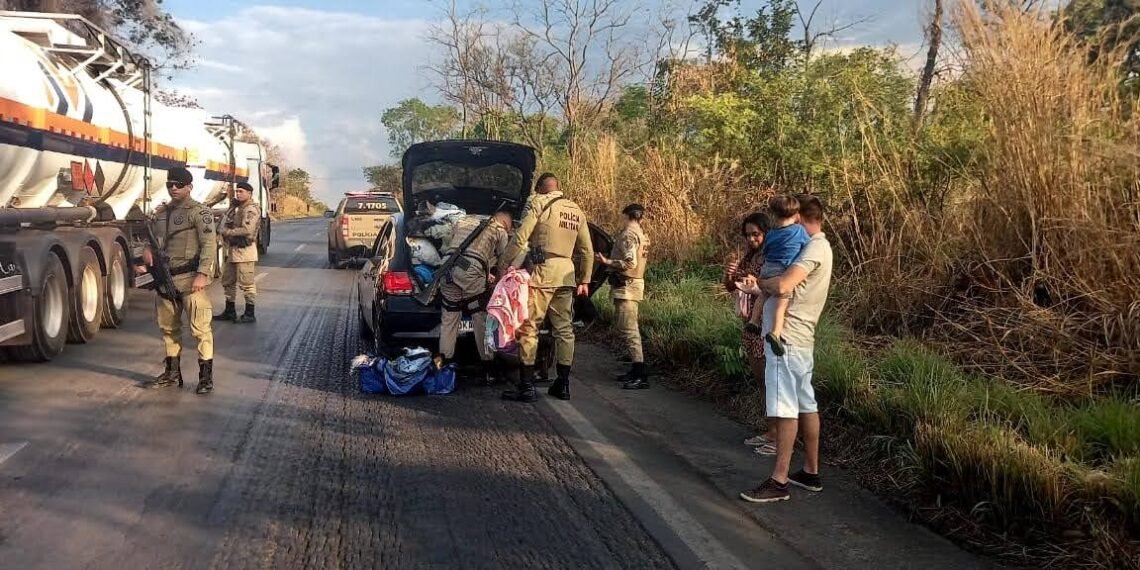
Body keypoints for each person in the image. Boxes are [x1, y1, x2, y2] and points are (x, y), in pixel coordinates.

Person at [739, 194, 833, 504]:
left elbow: (781, 286)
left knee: (785, 406)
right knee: (806, 403)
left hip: (787, 339)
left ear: (803, 219)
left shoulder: (813, 248)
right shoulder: (819, 246)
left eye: (793, 223)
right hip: (801, 338)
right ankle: (810, 471)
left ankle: (779, 480)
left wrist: (759, 287)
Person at [500, 173, 594, 402]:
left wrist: (503, 264)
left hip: (543, 273)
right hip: (566, 275)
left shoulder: (540, 205)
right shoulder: (576, 210)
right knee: (564, 330)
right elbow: (587, 251)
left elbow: (521, 238)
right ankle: (562, 385)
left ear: (541, 189)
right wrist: (585, 280)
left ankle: (526, 386)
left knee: (529, 327)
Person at [136, 167, 219, 395]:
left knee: (200, 329)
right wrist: (146, 252)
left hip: (191, 280)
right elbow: (151, 239)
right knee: (168, 329)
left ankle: (205, 378)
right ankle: (172, 374)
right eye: (170, 184)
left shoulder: (199, 213)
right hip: (165, 280)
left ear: (189, 187)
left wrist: (203, 273)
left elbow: (209, 245)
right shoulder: (161, 213)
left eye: (179, 184)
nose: (173, 188)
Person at [723, 211, 778, 455]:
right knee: (762, 380)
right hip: (750, 324)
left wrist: (754, 286)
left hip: (766, 323)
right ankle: (771, 429)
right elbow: (732, 286)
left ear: (765, 233)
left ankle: (778, 435)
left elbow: (768, 290)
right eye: (748, 235)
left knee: (771, 380)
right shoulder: (750, 256)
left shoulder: (773, 257)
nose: (751, 239)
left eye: (756, 234)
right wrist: (730, 274)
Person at [438, 209, 513, 384]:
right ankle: (489, 370)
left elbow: (448, 244)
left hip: (446, 268)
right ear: (506, 224)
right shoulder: (499, 231)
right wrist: (499, 283)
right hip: (470, 273)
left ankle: (442, 369)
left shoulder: (462, 221)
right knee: (481, 319)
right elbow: (503, 261)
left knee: (449, 321)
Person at [742, 194, 810, 357]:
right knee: (782, 299)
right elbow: (809, 247)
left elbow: (766, 251)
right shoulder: (799, 231)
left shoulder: (771, 233)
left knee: (762, 296)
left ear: (774, 215)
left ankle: (753, 321)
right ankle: (776, 332)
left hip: (767, 268)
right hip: (782, 270)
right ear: (795, 216)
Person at [597, 203, 651, 390]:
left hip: (627, 286)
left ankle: (640, 372)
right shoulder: (642, 234)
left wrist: (607, 262)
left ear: (626, 216)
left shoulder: (629, 234)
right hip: (633, 284)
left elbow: (630, 262)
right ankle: (635, 370)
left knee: (629, 330)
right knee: (627, 328)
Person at [214, 181, 260, 324]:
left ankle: (250, 313)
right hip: (233, 250)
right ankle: (230, 310)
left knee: (247, 284)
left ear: (249, 194)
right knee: (227, 281)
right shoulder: (237, 207)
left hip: (245, 251)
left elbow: (248, 230)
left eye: (241, 191)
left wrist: (228, 232)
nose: (238, 194)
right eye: (237, 191)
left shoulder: (250, 209)